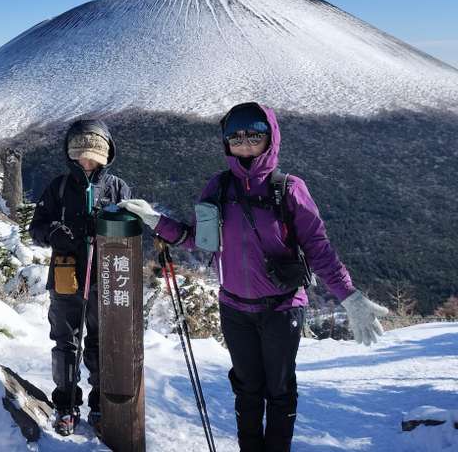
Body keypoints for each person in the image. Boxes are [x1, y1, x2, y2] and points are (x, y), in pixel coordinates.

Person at [120, 102, 388, 452]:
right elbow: (198, 239)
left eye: (254, 136)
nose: (245, 144)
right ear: (226, 143)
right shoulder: (218, 188)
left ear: (270, 138)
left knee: (279, 390)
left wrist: (349, 296)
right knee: (247, 390)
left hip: (282, 308)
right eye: (236, 137)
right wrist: (156, 220)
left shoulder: (289, 190)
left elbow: (318, 248)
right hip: (234, 310)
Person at [29, 119, 131, 436]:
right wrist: (53, 233)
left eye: (93, 158)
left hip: (105, 277)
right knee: (66, 343)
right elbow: (36, 228)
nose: (86, 163)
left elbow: (132, 228)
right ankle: (66, 405)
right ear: (71, 155)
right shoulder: (58, 187)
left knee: (101, 343)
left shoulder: (117, 188)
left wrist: (108, 227)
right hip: (66, 277)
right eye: (80, 157)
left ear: (105, 156)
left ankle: (100, 405)